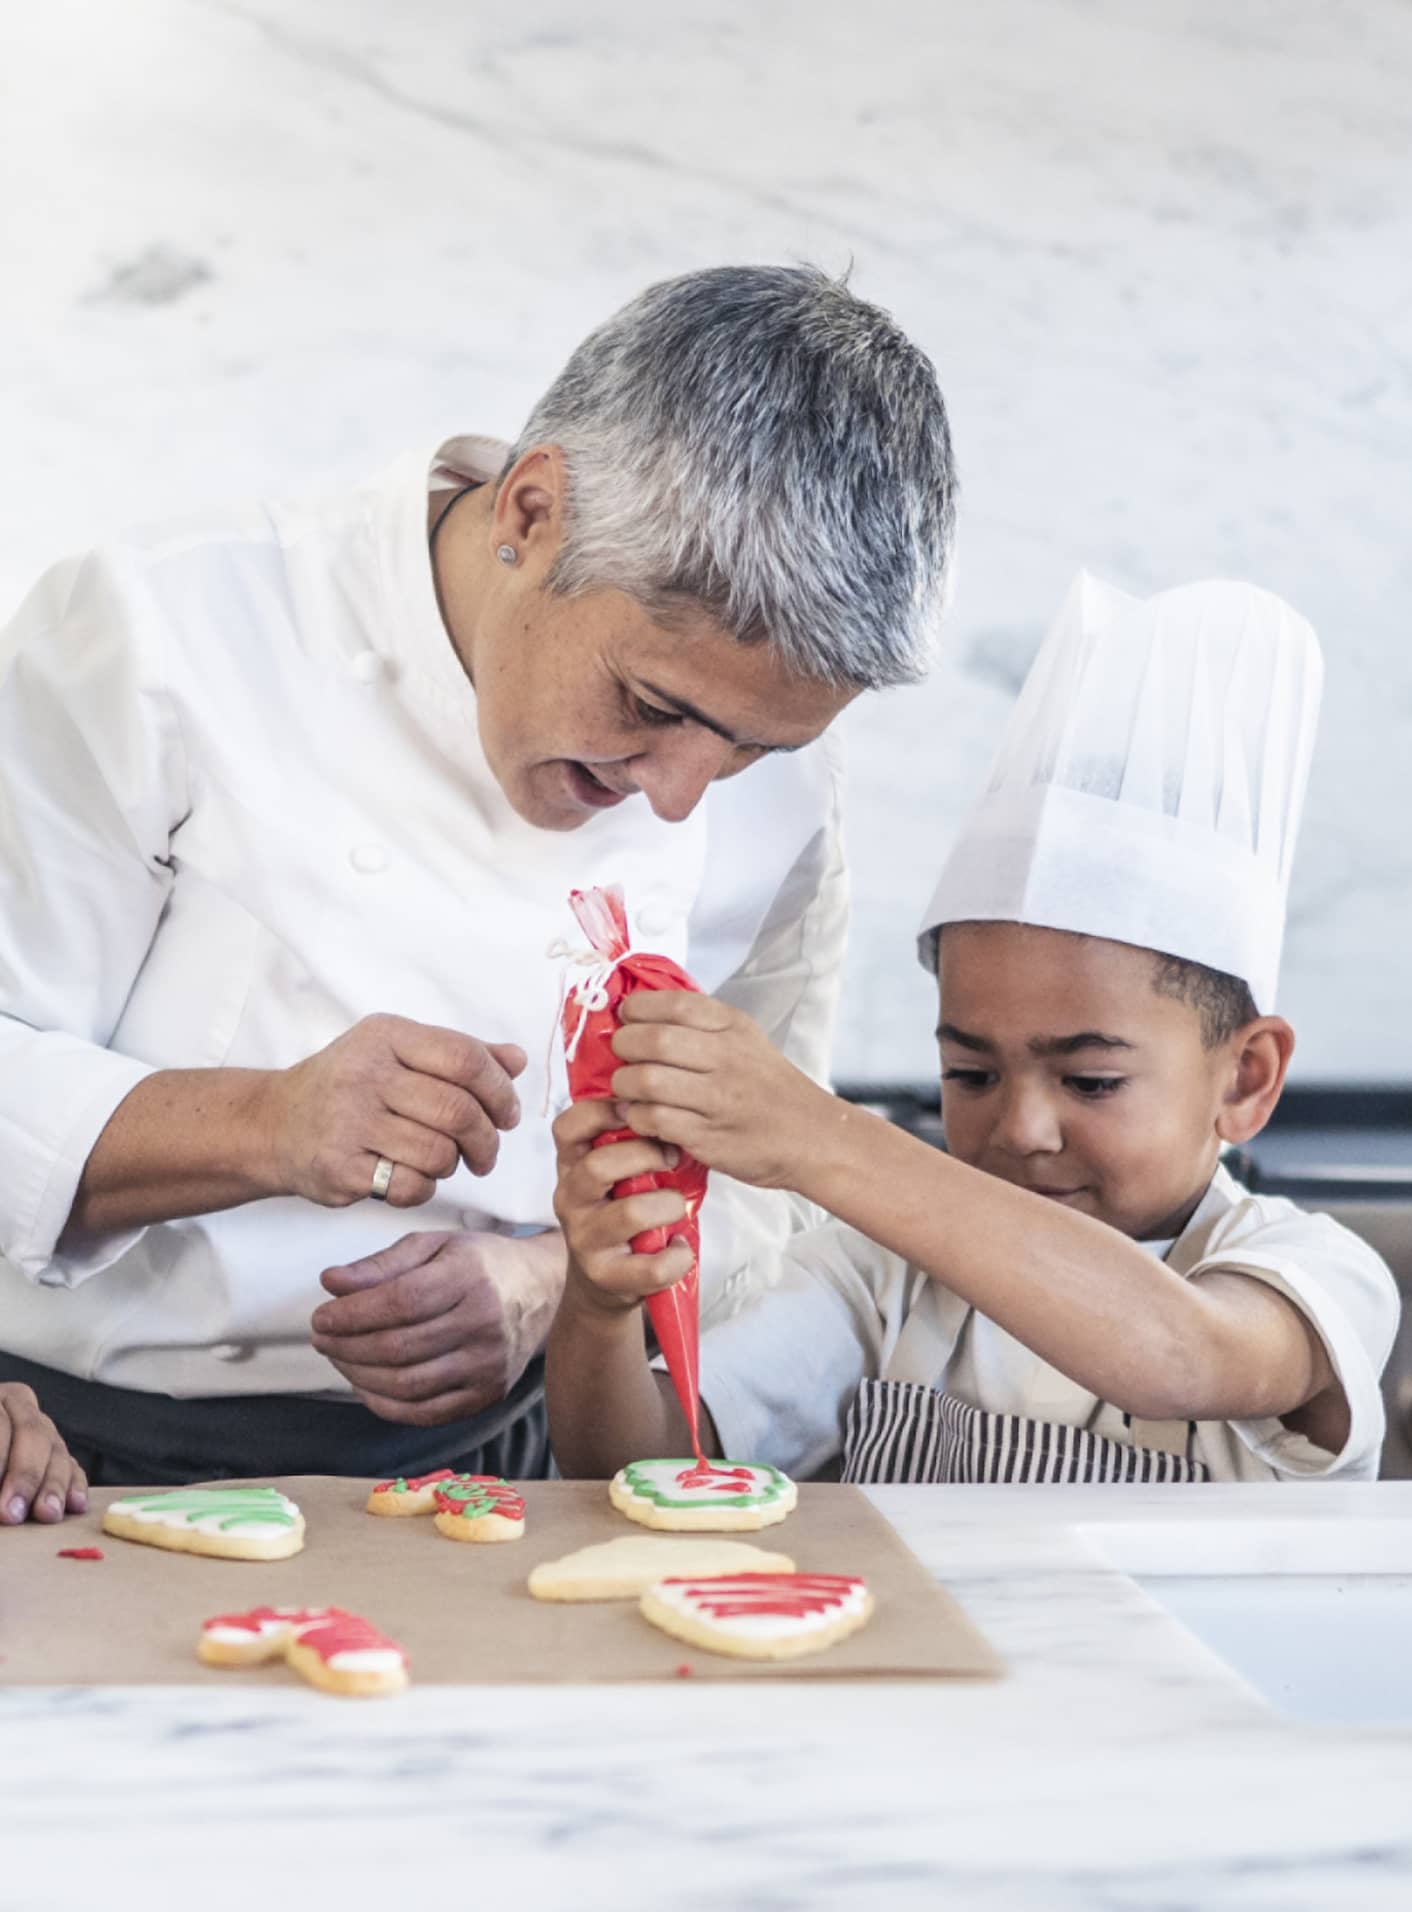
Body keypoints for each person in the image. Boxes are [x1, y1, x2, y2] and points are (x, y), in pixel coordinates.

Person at [0, 264, 957, 1519]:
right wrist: (267, 1122)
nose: (682, 793)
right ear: (532, 510)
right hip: (80, 1460)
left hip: (512, 1478)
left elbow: (759, 1189)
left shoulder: (777, 790)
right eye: (652, 707)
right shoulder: (163, 634)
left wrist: (546, 1282)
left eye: (749, 750)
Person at [547, 574, 1401, 1485]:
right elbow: (638, 1470)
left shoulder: (1313, 1274)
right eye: (972, 1073)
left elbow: (1179, 1355)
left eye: (1091, 1081)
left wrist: (815, 1135)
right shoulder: (885, 1277)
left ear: (1246, 1078)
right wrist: (597, 1310)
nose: (1022, 1130)